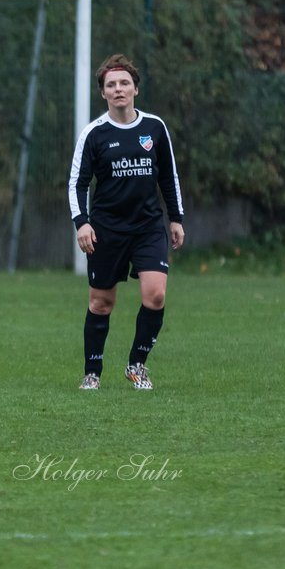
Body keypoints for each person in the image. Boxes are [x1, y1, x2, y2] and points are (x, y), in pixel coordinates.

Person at [68, 53, 184, 391]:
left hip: (148, 226)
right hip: (106, 230)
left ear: (135, 89)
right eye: (111, 85)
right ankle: (92, 372)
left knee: (156, 295)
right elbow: (77, 182)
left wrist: (175, 218)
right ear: (103, 93)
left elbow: (169, 177)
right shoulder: (94, 134)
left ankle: (137, 366)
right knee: (101, 302)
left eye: (124, 83)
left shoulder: (154, 128)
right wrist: (82, 223)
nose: (118, 89)